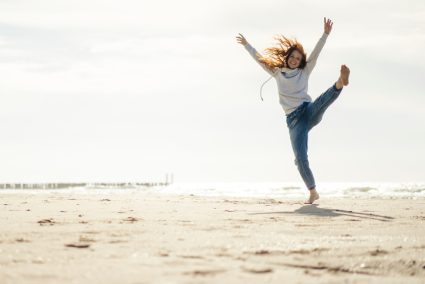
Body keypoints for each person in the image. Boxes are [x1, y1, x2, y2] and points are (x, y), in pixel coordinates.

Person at [236, 18, 350, 204]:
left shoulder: (305, 71)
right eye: (293, 57)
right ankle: (313, 192)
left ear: (301, 61)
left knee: (322, 101)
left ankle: (340, 82)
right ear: (287, 57)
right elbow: (260, 59)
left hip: (308, 111)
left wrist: (325, 34)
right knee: (300, 158)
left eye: (298, 58)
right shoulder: (277, 72)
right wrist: (247, 44)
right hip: (294, 121)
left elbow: (316, 53)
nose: (295, 60)